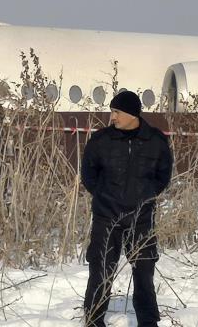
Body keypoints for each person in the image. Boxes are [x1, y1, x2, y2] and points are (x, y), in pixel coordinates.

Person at [81, 91, 174, 327]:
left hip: (141, 218)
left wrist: (145, 196)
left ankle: (148, 322)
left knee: (144, 272)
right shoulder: (101, 140)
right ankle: (93, 321)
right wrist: (104, 195)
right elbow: (89, 174)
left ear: (132, 114)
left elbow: (163, 175)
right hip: (106, 217)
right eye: (112, 112)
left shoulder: (155, 141)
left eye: (117, 112)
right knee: (101, 271)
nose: (112, 117)